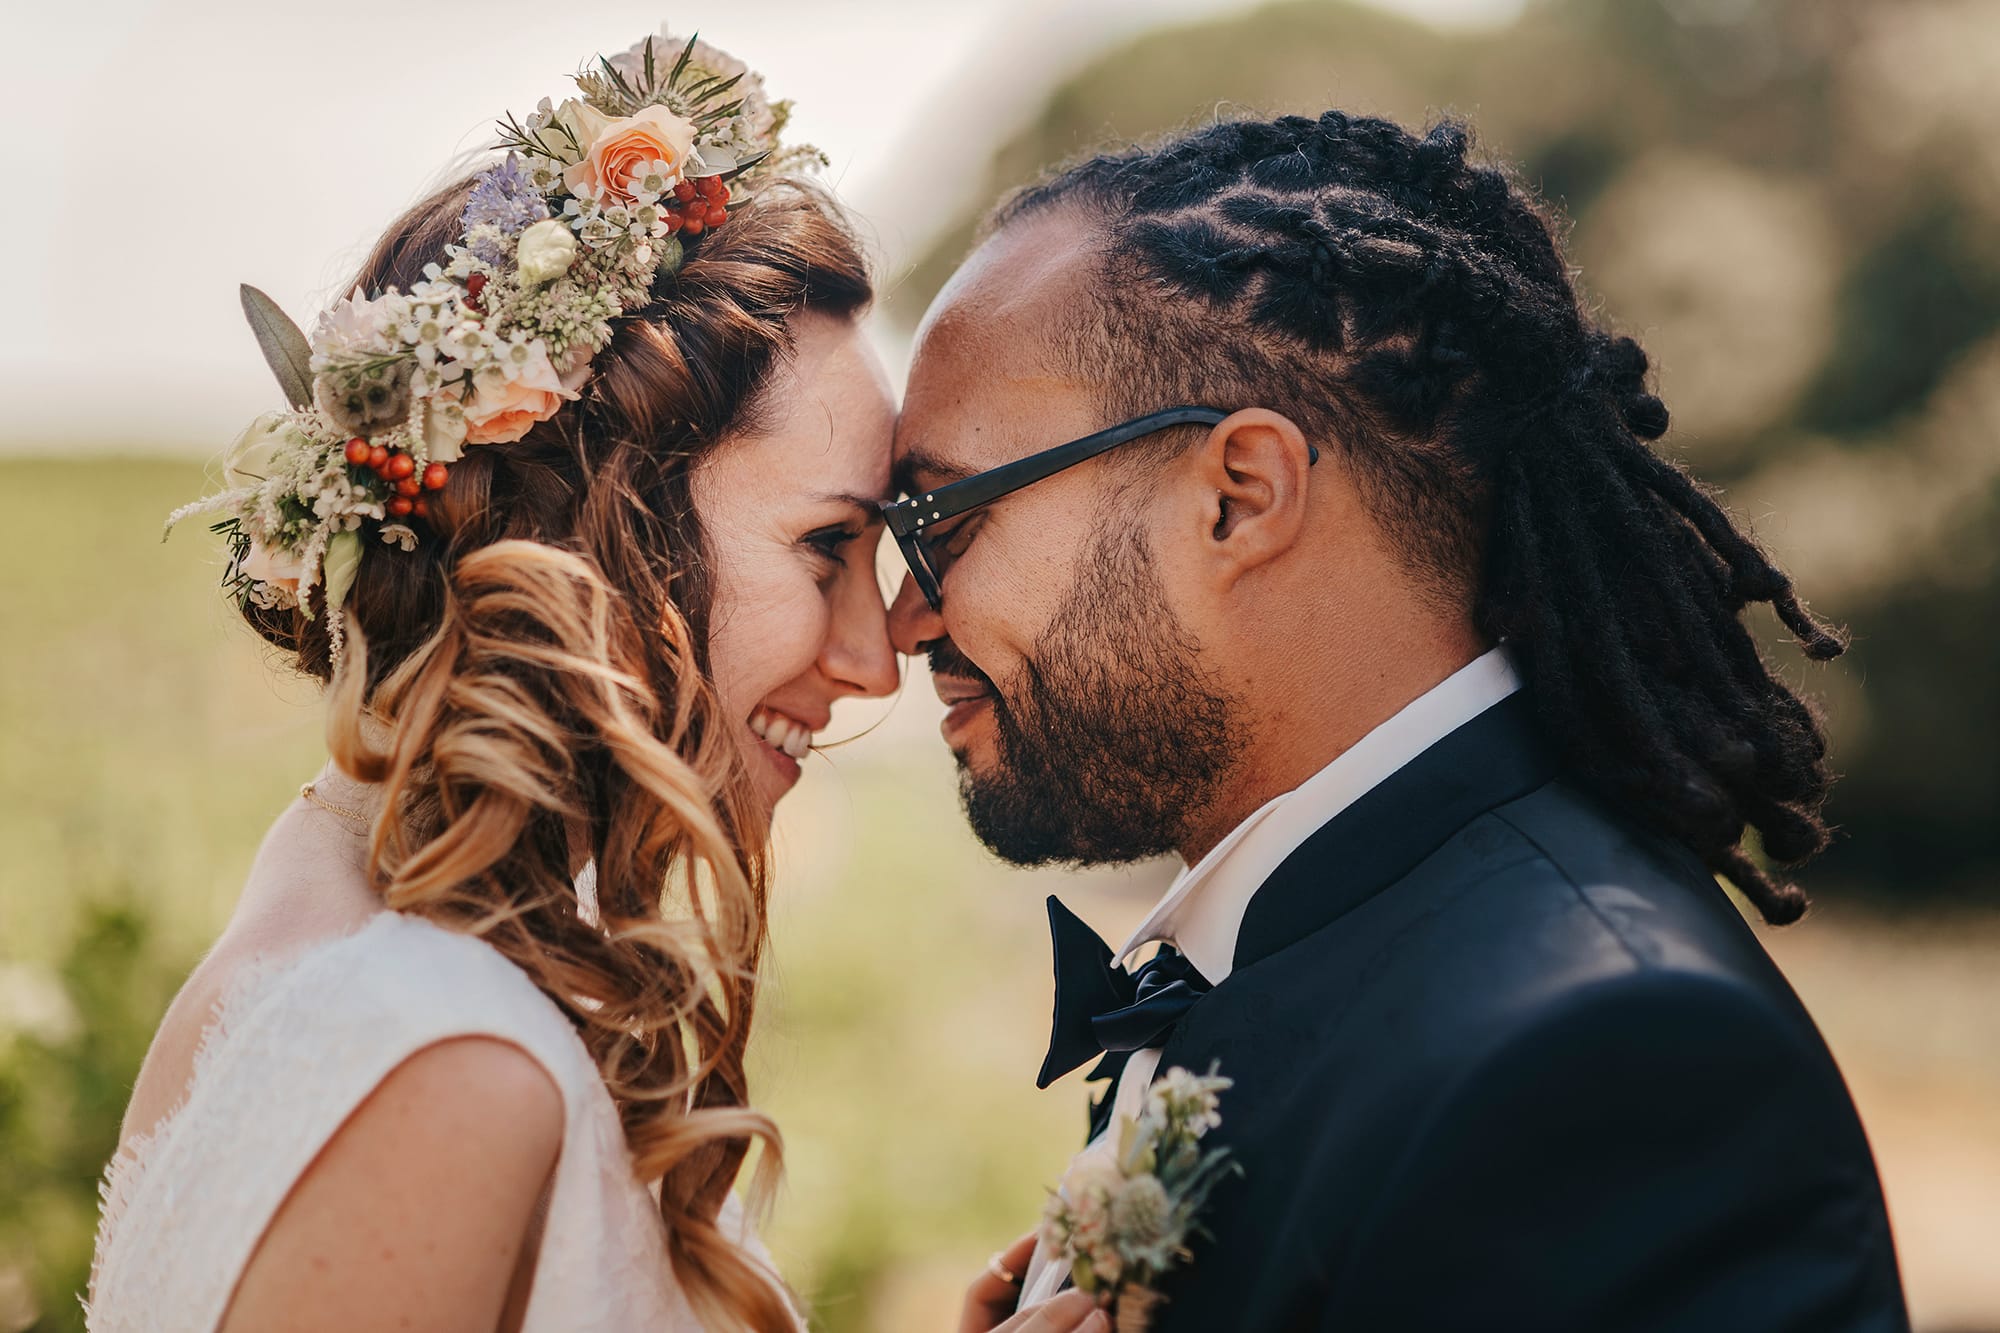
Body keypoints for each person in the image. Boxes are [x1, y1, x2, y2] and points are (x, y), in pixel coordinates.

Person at [90, 28, 1106, 1333]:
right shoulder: (453, 1063)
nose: (873, 660)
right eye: (824, 547)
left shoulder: (325, 942)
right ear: (602, 527)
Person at [888, 110, 1911, 1331]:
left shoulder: (1605, 1063)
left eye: (940, 516)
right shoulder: (1309, 934)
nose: (902, 618)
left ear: (1237, 496)